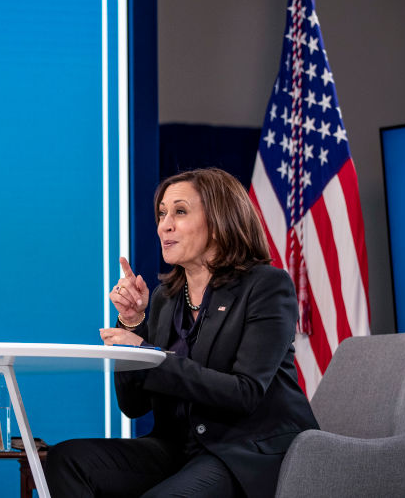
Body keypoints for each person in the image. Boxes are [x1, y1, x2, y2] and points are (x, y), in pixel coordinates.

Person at [45, 168, 318, 498]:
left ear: (218, 222)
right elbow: (133, 406)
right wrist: (132, 322)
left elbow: (244, 393)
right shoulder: (166, 297)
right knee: (66, 460)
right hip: (179, 448)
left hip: (245, 452)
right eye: (162, 214)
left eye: (180, 212)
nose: (165, 225)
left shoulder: (266, 286)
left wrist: (151, 356)